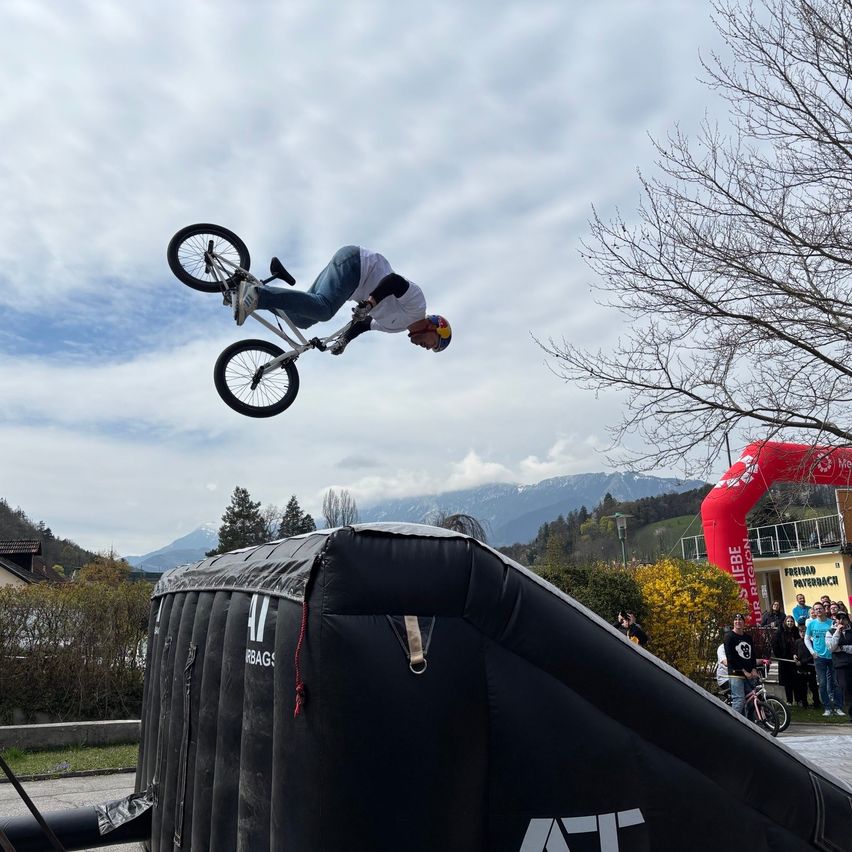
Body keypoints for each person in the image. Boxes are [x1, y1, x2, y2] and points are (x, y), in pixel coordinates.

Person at [232, 245, 452, 355]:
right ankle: (256, 296)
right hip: (358, 265)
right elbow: (393, 281)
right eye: (434, 345)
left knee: (303, 319)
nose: (427, 348)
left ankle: (254, 289)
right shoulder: (418, 306)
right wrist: (370, 304)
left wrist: (345, 341)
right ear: (435, 327)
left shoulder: (396, 327)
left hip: (349, 284)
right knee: (324, 310)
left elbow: (364, 325)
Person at [804, 602, 845, 716]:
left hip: (833, 656)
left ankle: (838, 707)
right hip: (819, 658)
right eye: (816, 609)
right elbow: (806, 639)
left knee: (836, 683)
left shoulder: (831, 623)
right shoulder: (811, 624)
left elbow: (838, 636)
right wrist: (812, 652)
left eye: (820, 608)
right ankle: (827, 708)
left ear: (824, 610)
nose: (818, 610)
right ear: (814, 611)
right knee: (822, 683)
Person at [724, 614, 758, 717]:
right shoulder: (729, 636)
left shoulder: (747, 637)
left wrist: (753, 669)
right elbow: (731, 658)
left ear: (744, 622)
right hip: (736, 673)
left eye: (740, 620)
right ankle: (733, 723)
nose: (738, 621)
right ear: (733, 623)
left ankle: (751, 724)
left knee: (752, 698)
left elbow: (752, 655)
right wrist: (744, 671)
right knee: (739, 699)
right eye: (736, 620)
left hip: (749, 672)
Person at [827, 610, 852, 720]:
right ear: (835, 620)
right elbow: (831, 647)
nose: (841, 620)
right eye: (839, 618)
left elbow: (839, 648)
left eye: (843, 618)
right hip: (840, 664)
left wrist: (843, 648)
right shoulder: (830, 632)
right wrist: (837, 632)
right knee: (844, 687)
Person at [793, 620, 822, 709]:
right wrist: (794, 656)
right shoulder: (797, 641)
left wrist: (802, 662)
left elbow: (813, 655)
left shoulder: (811, 642)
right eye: (800, 631)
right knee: (802, 687)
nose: (802, 633)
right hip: (801, 668)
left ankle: (816, 703)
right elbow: (794, 651)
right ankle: (804, 703)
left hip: (810, 667)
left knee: (813, 687)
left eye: (804, 631)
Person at [772, 615, 799, 705]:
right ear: (785, 622)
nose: (790, 623)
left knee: (796, 681)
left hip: (795, 660)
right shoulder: (780, 632)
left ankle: (798, 700)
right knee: (788, 682)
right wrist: (780, 656)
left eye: (791, 621)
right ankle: (789, 700)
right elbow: (775, 645)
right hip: (784, 660)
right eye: (788, 621)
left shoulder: (796, 631)